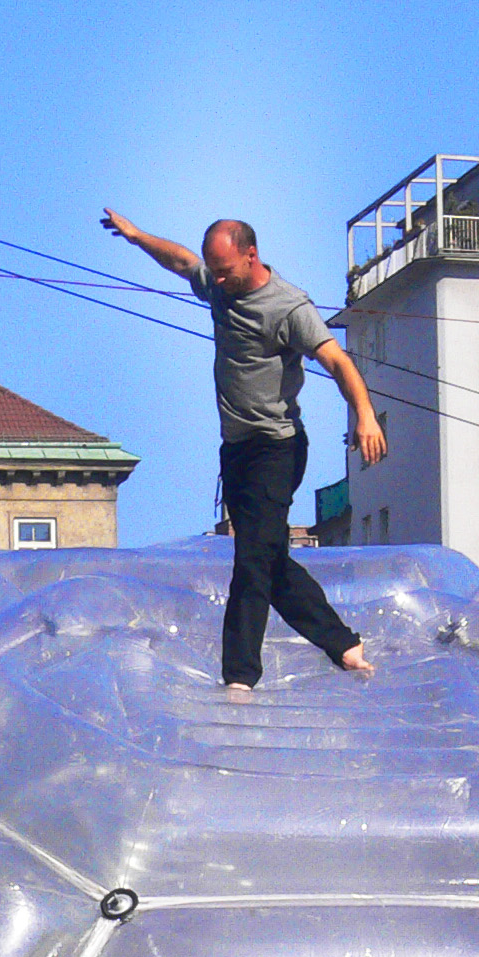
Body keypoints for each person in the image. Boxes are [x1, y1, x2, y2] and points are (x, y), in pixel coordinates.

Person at [102, 211, 385, 689]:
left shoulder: (289, 307)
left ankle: (239, 678)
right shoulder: (219, 286)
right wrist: (135, 236)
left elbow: (337, 361)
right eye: (213, 271)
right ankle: (343, 644)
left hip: (277, 447)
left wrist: (365, 414)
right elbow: (181, 262)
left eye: (225, 271)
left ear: (251, 256)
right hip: (235, 451)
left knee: (252, 560)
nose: (216, 280)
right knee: (267, 556)